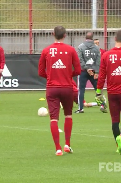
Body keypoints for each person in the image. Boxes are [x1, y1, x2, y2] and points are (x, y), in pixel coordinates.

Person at [38, 26, 81, 156]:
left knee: (53, 119)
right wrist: (68, 75)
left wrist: (51, 76)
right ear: (65, 35)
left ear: (53, 34)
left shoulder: (46, 51)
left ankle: (58, 148)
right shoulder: (71, 50)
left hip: (52, 88)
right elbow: (78, 70)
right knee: (68, 115)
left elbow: (40, 72)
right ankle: (67, 144)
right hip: (67, 87)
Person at [76, 32, 103, 113]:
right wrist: (97, 72)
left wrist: (87, 68)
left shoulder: (81, 47)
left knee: (81, 90)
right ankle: (102, 105)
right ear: (92, 38)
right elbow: (98, 61)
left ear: (85, 38)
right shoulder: (97, 48)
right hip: (94, 71)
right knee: (98, 89)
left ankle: (81, 108)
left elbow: (80, 60)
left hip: (84, 71)